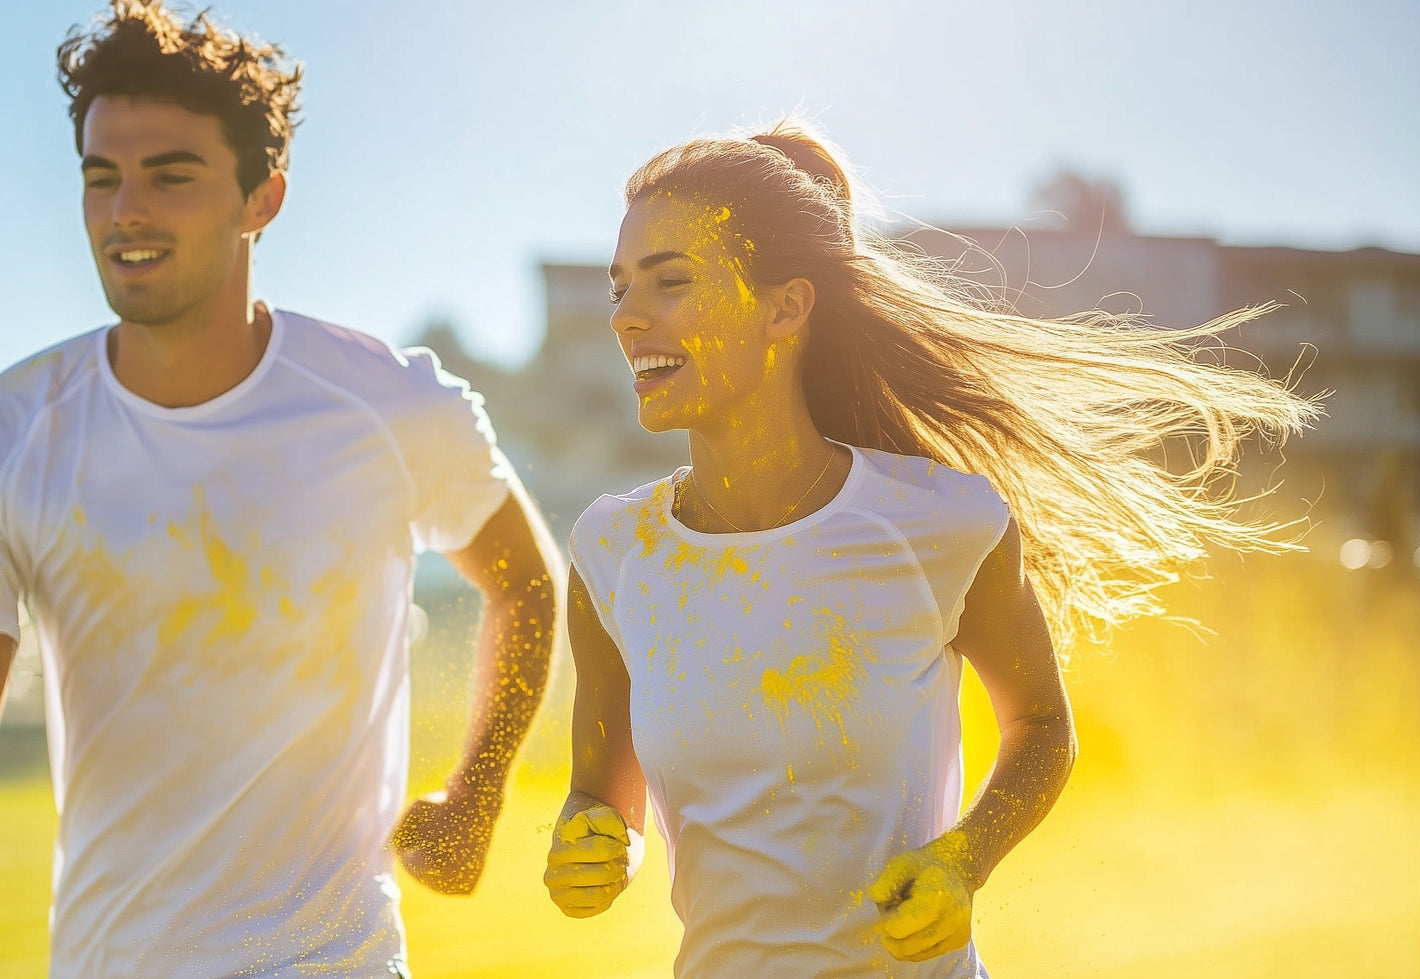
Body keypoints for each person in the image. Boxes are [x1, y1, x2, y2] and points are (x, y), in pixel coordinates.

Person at [542, 122, 1315, 977]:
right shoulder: (613, 551)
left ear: (786, 308)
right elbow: (604, 798)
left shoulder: (940, 522)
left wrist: (965, 858)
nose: (626, 318)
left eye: (670, 282)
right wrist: (591, 842)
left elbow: (1043, 726)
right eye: (618, 289)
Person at [0, 3, 560, 976]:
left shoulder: (388, 406)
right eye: (101, 177)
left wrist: (478, 789)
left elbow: (525, 584)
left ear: (262, 199)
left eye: (171, 175)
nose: (126, 211)